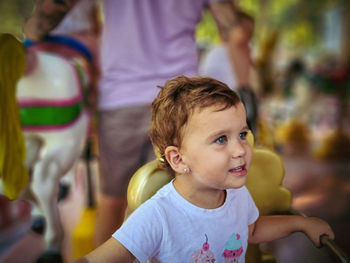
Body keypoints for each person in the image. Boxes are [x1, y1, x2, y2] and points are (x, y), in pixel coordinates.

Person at [24, 0, 259, 246]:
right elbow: (236, 35)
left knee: (112, 201)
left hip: (121, 98)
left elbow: (51, 10)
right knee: (180, 203)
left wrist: (29, 33)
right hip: (181, 101)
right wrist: (246, 92)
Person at [73, 75, 334, 263]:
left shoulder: (235, 194)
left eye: (242, 134)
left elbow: (251, 230)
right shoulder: (158, 216)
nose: (240, 149)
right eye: (221, 139)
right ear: (178, 160)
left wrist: (301, 223)